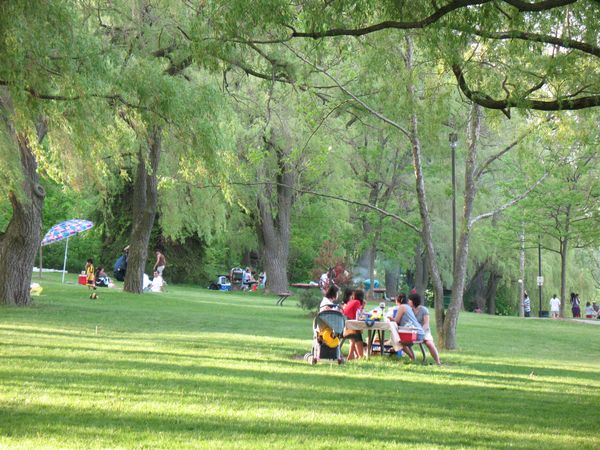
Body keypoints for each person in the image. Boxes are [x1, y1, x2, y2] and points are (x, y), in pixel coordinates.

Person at [408, 293, 441, 365]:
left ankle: (438, 362)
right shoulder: (409, 310)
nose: (408, 302)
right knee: (405, 342)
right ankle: (412, 358)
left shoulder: (424, 310)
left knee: (429, 343)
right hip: (413, 331)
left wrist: (421, 331)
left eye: (409, 300)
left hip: (424, 331)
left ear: (414, 301)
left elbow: (426, 324)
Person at [393, 293, 425, 360]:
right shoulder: (408, 307)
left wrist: (390, 318)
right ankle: (413, 358)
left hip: (415, 333)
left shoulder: (402, 307)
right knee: (405, 341)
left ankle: (412, 357)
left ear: (398, 300)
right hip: (419, 332)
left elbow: (396, 321)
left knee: (398, 341)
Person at [343, 289, 366, 360]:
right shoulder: (357, 302)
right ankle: (360, 356)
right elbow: (358, 316)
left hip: (345, 326)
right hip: (348, 327)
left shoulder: (351, 302)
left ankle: (355, 356)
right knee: (357, 334)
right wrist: (363, 306)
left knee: (356, 334)